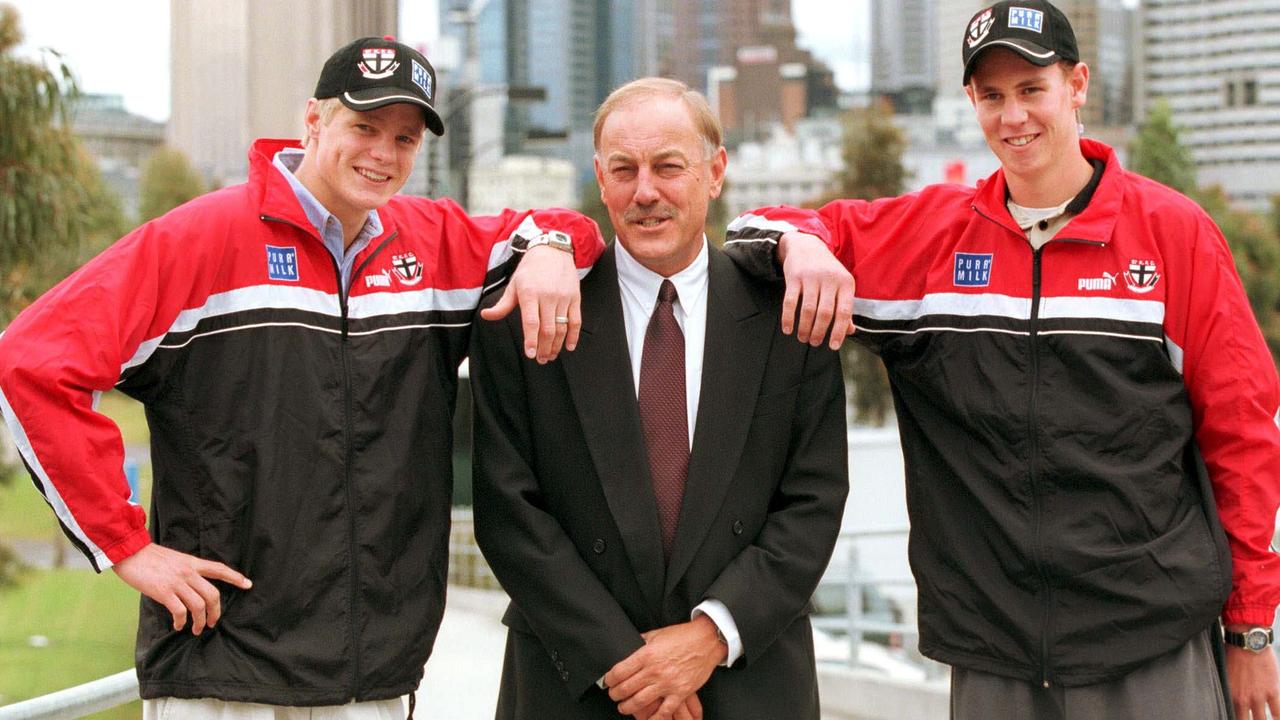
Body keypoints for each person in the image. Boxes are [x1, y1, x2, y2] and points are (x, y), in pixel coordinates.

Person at [0, 36, 604, 719]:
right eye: (364, 127)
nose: (383, 153)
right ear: (313, 121)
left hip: (374, 680)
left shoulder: (433, 243)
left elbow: (569, 228)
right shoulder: (202, 237)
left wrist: (553, 245)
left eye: (404, 139)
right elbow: (30, 362)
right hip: (222, 677)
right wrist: (125, 545)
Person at [723, 2, 1280, 718]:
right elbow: (751, 231)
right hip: (993, 655)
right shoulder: (930, 239)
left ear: (1078, 85)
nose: (1012, 115)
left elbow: (1242, 436)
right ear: (970, 103)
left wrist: (1252, 627)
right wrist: (802, 246)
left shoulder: (1175, 234)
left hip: (1151, 643)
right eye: (992, 96)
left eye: (1031, 89)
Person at [468, 77, 848, 720]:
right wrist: (627, 666)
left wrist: (709, 638)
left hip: (745, 681)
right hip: (573, 681)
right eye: (625, 170)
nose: (646, 192)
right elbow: (508, 509)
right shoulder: (526, 313)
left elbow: (813, 502)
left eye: (669, 167)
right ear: (599, 176)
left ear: (716, 171)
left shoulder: (793, 312)